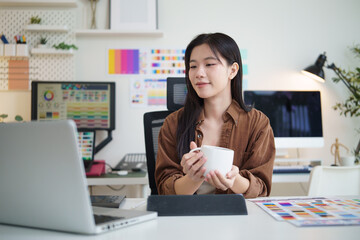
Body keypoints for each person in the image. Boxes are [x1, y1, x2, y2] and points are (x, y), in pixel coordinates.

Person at [155, 33, 275, 198]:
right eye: (193, 66)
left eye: (209, 64)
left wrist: (234, 180)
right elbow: (164, 189)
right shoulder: (173, 123)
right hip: (186, 218)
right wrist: (193, 178)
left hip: (237, 220)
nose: (199, 73)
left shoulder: (258, 123)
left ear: (232, 70)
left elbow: (261, 189)